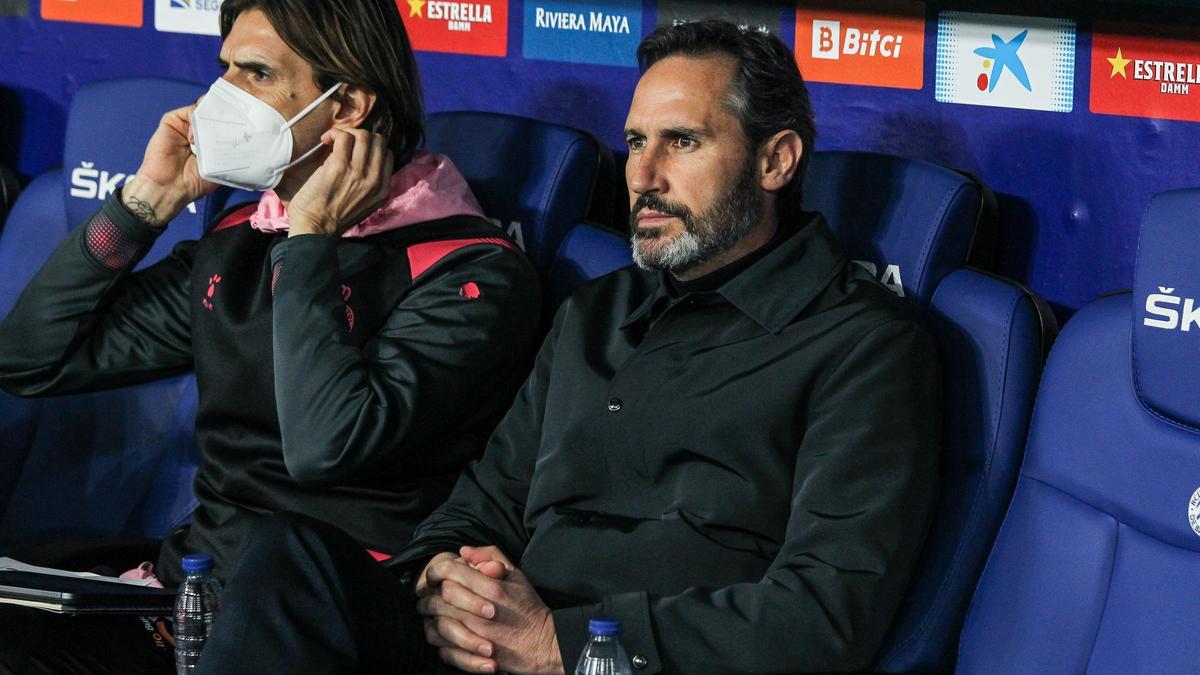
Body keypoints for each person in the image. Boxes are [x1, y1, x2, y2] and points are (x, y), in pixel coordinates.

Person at [196, 19, 940, 675]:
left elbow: (826, 612)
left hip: (618, 659)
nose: (642, 177)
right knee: (290, 555)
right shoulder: (597, 311)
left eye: (682, 142)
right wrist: (442, 578)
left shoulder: (864, 342)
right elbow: (481, 502)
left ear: (776, 161)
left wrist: (564, 643)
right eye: (636, 142)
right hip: (491, 643)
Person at [0, 0, 541, 671]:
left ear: (348, 108)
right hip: (192, 603)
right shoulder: (243, 237)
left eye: (254, 73)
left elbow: (325, 447)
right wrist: (144, 204)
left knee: (285, 550)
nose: (221, 98)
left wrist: (311, 239)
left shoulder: (471, 271)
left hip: (335, 614)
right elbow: (30, 359)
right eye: (223, 69)